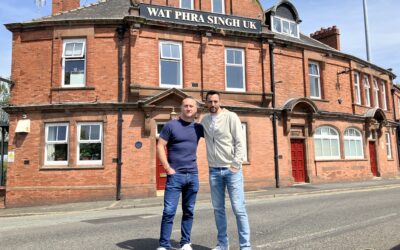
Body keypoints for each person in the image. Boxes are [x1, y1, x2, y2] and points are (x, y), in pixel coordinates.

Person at [201, 90, 251, 250]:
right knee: (218, 209)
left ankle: (245, 246)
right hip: (214, 171)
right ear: (206, 103)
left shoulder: (231, 117)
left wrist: (236, 164)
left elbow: (240, 142)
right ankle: (223, 245)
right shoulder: (205, 120)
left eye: (215, 101)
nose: (213, 104)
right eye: (210, 102)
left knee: (238, 208)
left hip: (232, 170)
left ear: (219, 102)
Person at [157, 97, 204, 250]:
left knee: (189, 211)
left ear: (196, 109)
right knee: (169, 211)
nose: (188, 108)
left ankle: (185, 242)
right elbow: (160, 146)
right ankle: (164, 245)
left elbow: (216, 133)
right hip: (175, 176)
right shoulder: (171, 125)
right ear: (181, 108)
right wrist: (167, 168)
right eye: (186, 106)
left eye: (191, 106)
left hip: (193, 175)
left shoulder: (198, 128)